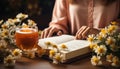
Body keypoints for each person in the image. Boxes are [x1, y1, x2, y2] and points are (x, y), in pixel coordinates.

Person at [41, 0, 120, 39]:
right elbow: (58, 23)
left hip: (107, 54)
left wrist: (100, 33)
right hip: (73, 54)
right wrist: (57, 30)